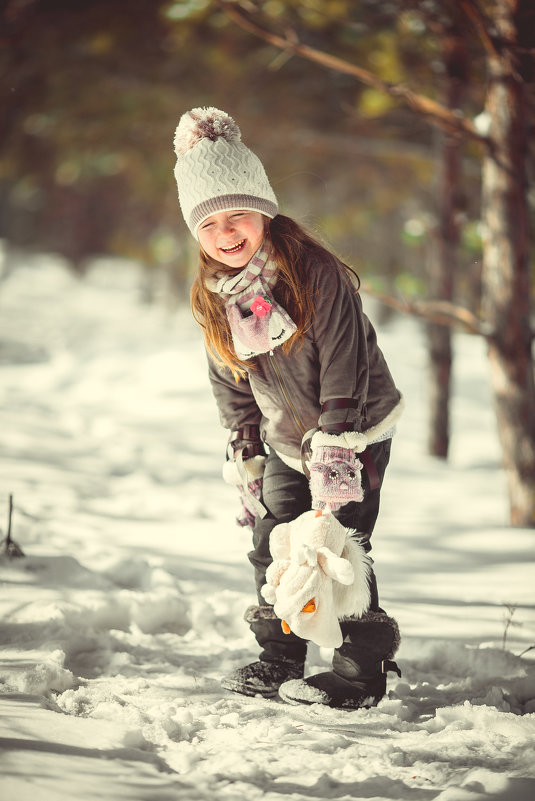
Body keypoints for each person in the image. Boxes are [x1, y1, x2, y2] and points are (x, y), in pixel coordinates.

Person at [173, 106, 403, 709]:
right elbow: (228, 376)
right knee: (274, 538)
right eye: (211, 223)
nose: (227, 233)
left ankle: (360, 669)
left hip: (351, 426)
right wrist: (246, 447)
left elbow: (343, 355)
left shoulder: (311, 272)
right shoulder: (214, 293)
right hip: (281, 441)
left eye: (239, 215)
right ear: (197, 233)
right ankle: (280, 657)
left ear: (265, 211)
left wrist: (338, 440)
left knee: (340, 541)